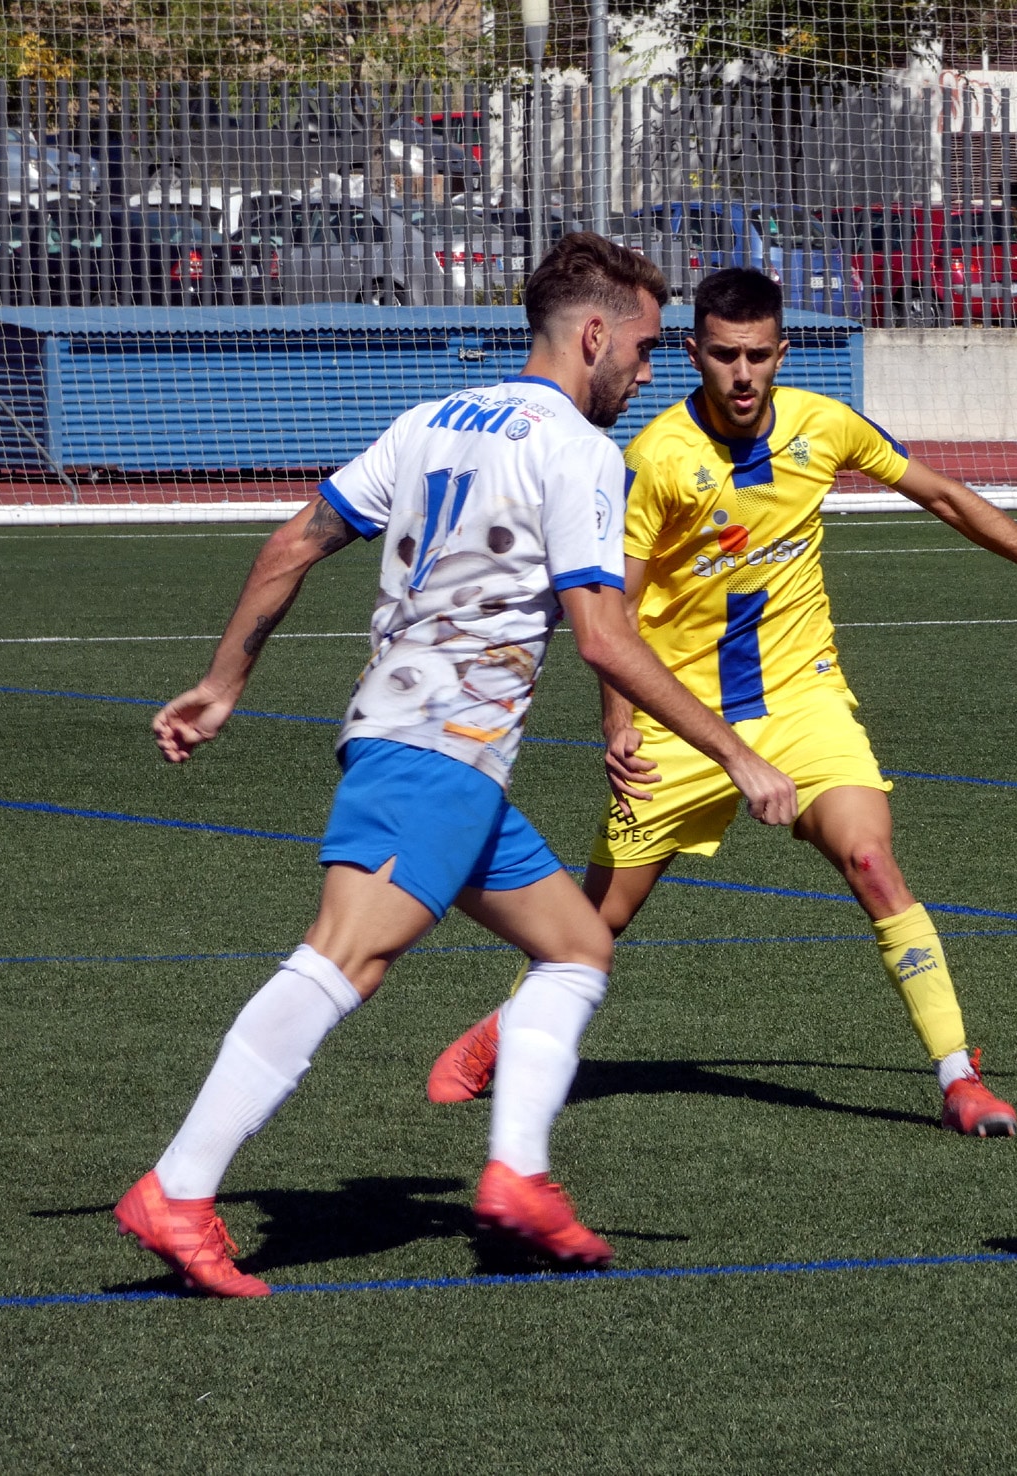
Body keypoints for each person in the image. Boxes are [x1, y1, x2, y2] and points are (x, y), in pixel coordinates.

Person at [113, 235, 799, 1297]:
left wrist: (224, 681)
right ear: (592, 334)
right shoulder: (575, 449)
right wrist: (737, 751)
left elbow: (300, 538)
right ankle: (179, 1186)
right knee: (346, 959)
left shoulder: (429, 418)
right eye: (648, 346)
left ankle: (519, 1175)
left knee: (574, 947)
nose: (651, 370)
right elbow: (605, 637)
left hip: (444, 760)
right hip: (431, 750)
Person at [426, 267, 1017, 1133]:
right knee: (593, 924)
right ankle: (498, 1036)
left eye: (758, 356)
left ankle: (959, 1076)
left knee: (873, 863)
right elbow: (613, 606)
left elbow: (944, 497)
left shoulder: (824, 427)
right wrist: (617, 724)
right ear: (693, 352)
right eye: (723, 355)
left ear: (782, 353)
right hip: (678, 717)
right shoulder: (655, 458)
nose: (741, 374)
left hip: (803, 702)